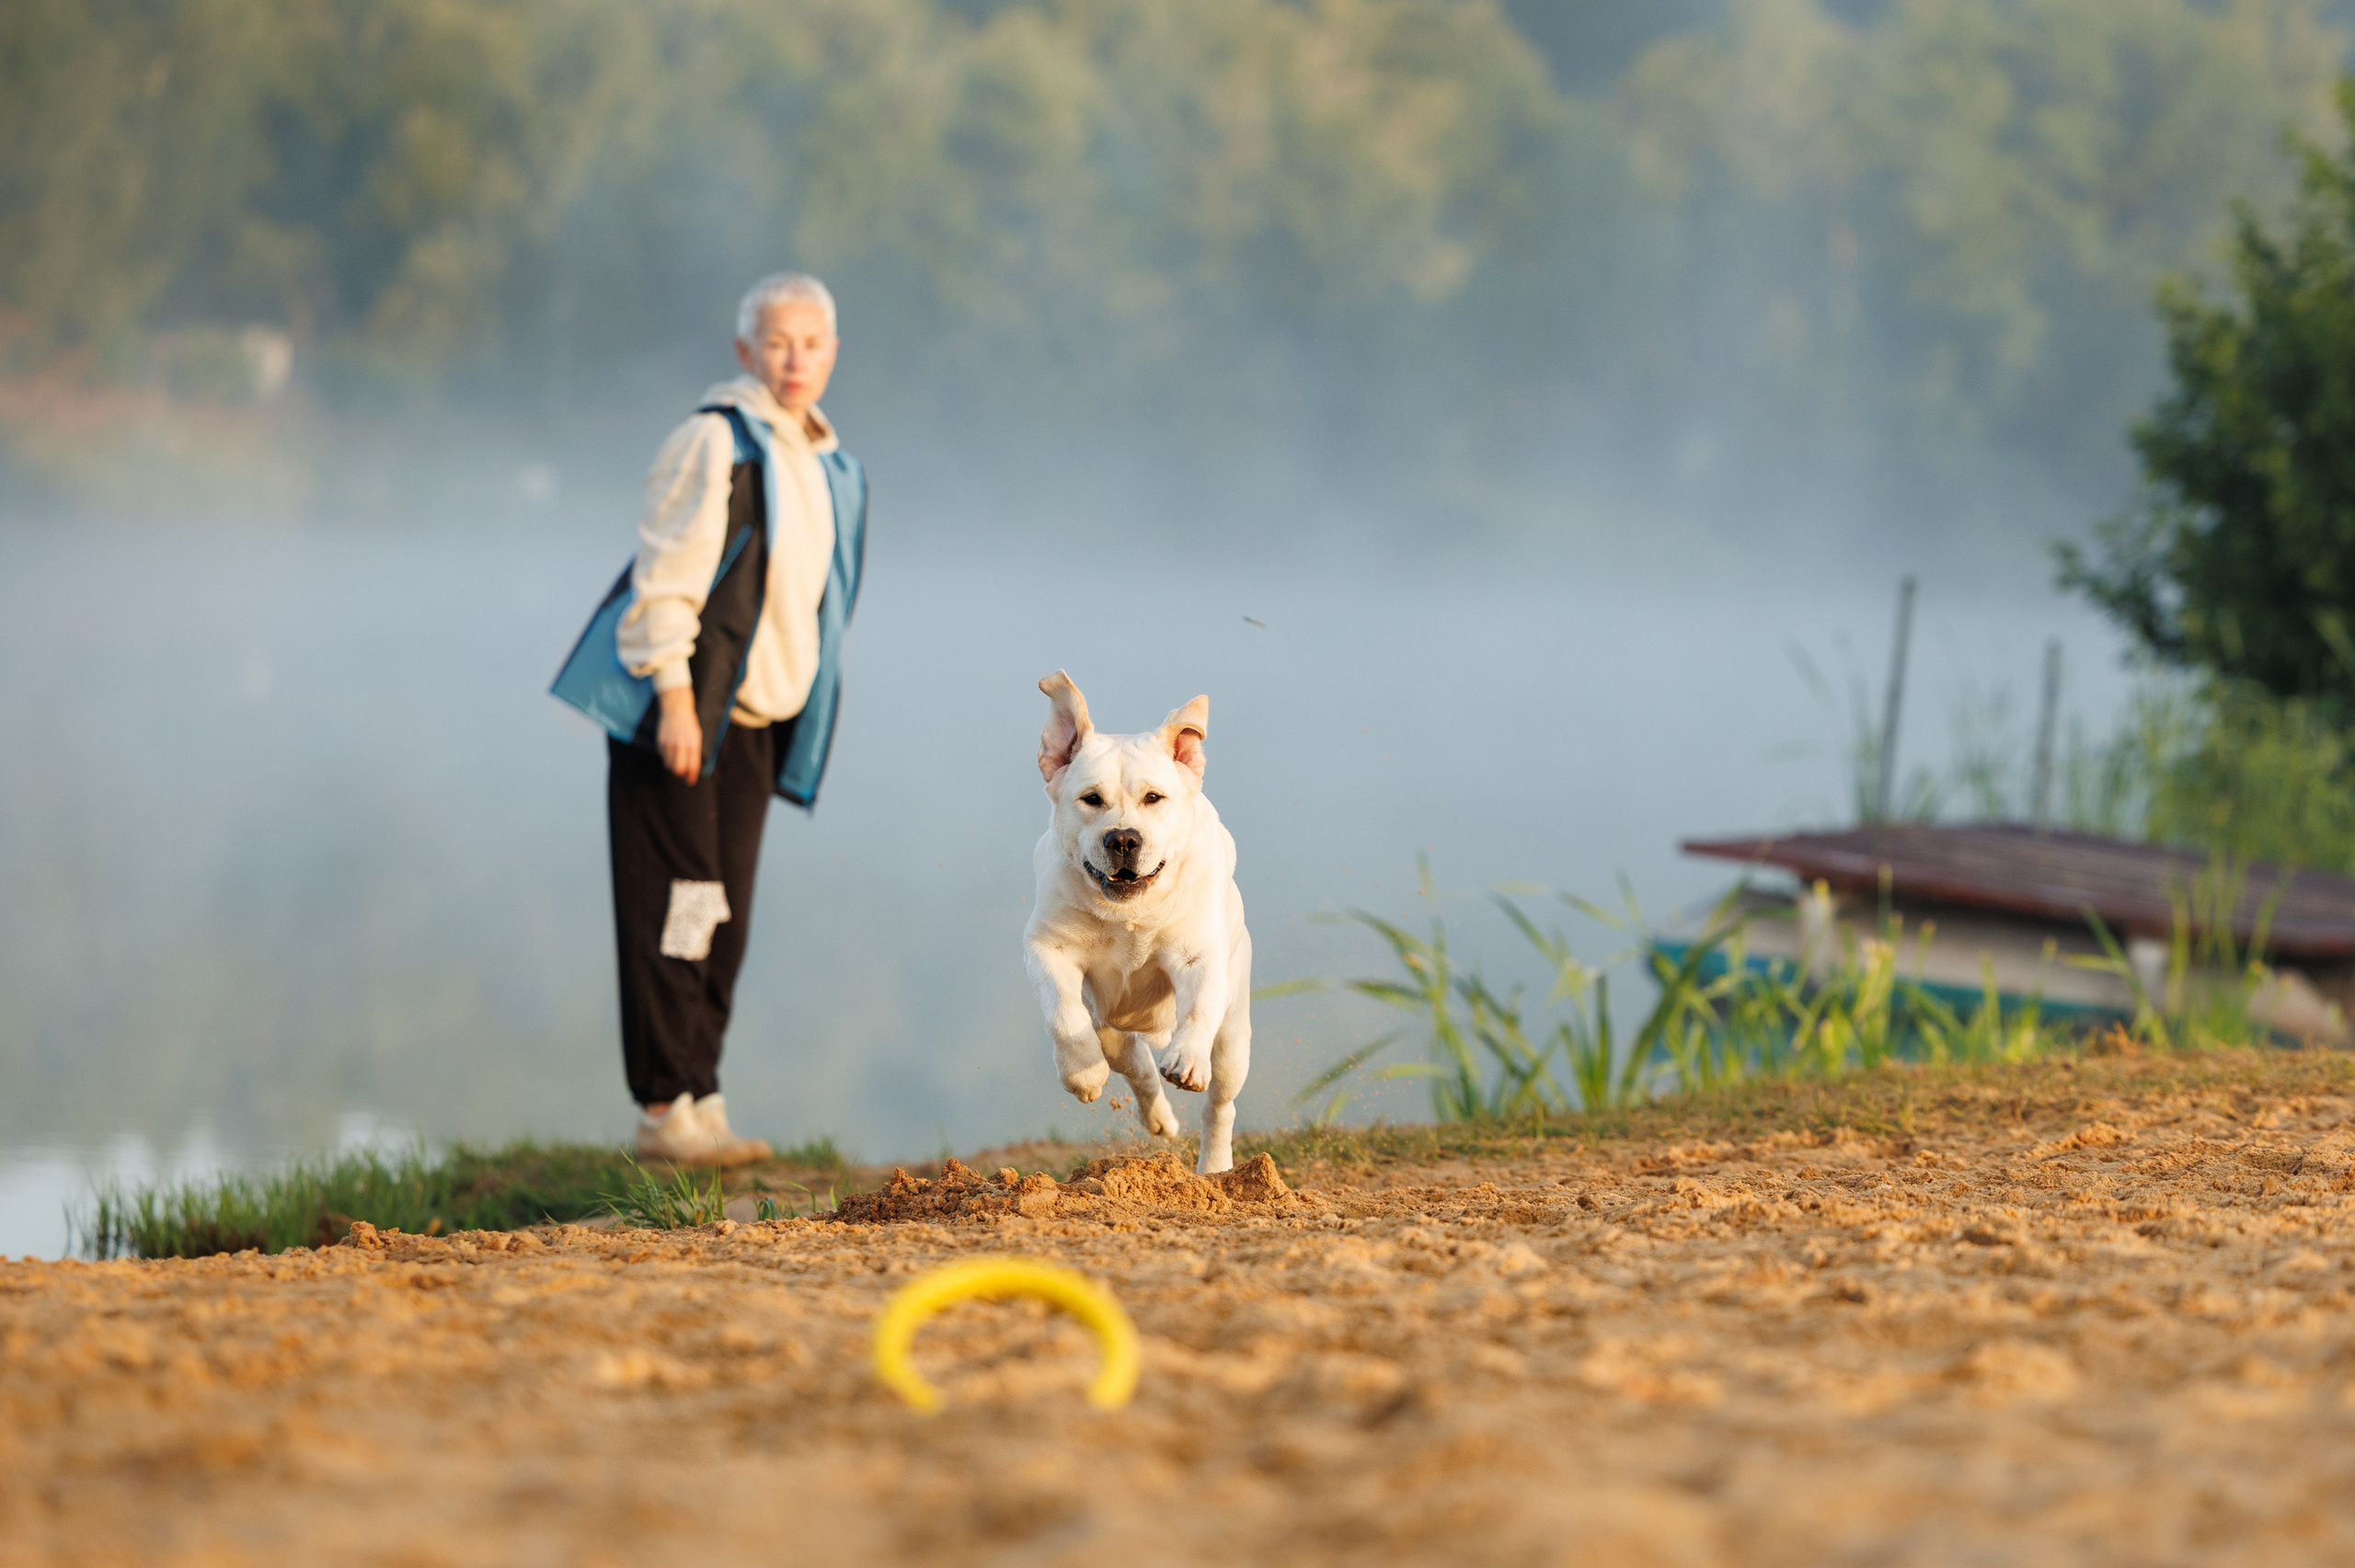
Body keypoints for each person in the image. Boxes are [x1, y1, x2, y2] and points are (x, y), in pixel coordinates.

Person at [551, 271, 867, 1164]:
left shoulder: (821, 459)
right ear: (744, 352)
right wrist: (676, 704)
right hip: (689, 717)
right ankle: (662, 1108)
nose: (795, 357)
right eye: (777, 341)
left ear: (833, 353)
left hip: (761, 724)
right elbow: (663, 581)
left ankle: (702, 1092)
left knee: (725, 912)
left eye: (812, 342)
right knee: (681, 905)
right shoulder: (713, 442)